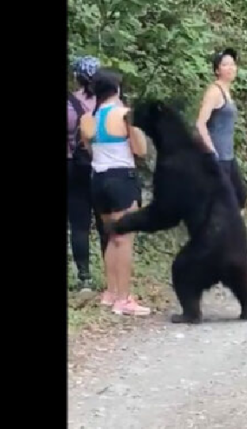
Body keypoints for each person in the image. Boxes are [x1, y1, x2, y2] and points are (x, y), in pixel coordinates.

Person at [80, 69, 151, 316]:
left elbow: (89, 149)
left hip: (98, 179)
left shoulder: (88, 118)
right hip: (122, 179)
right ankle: (124, 298)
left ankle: (111, 294)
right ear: (118, 89)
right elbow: (141, 150)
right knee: (125, 239)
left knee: (112, 236)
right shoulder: (124, 115)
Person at [195, 48, 247, 261]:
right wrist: (211, 151)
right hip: (217, 158)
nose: (231, 68)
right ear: (217, 70)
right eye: (225, 64)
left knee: (239, 197)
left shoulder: (226, 91)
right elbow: (200, 124)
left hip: (228, 157)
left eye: (232, 64)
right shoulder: (214, 92)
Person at [67, 56, 108, 292]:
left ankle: (84, 277)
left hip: (75, 166)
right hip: (102, 166)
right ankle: (112, 274)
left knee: (79, 223)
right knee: (105, 222)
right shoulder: (107, 103)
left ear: (76, 77)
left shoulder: (70, 104)